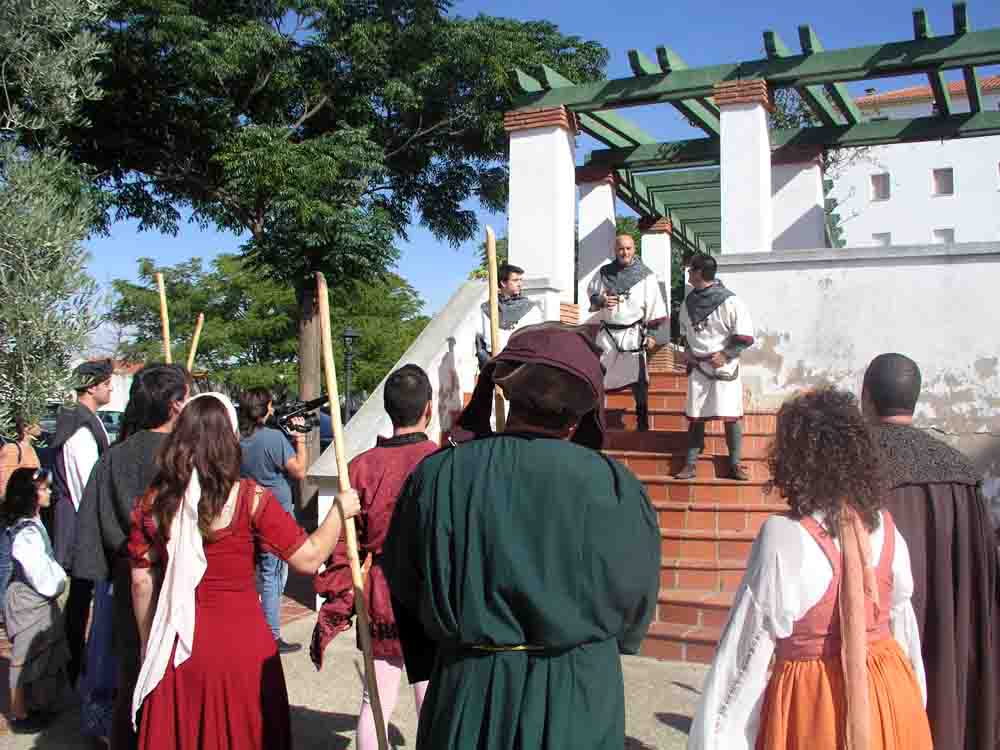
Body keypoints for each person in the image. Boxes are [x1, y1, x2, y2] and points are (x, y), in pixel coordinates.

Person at [382, 322, 661, 750]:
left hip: (469, 692)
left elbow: (405, 582)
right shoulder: (616, 485)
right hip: (578, 697)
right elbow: (634, 604)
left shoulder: (439, 475)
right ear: (581, 411)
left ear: (508, 394)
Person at [689, 387, 931, 750]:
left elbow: (745, 659)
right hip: (891, 693)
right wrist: (912, 700)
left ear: (792, 460)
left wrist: (716, 740)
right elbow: (903, 629)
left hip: (817, 708)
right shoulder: (884, 525)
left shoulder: (783, 536)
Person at [127, 393, 361, 750]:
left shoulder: (157, 501)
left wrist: (148, 643)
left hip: (177, 644)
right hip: (241, 648)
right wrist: (338, 512)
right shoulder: (252, 499)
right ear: (229, 440)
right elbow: (309, 558)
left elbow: (142, 580)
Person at [862, 353, 999, 750]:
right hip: (944, 638)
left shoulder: (849, 467)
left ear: (866, 397)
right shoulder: (960, 470)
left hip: (876, 648)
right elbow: (982, 582)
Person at [312, 364, 438, 750]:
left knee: (376, 700)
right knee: (430, 701)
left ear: (388, 409)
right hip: (430, 591)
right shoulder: (443, 462)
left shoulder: (362, 467)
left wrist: (344, 594)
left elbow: (342, 548)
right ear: (429, 409)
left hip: (382, 592)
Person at [73, 363, 190, 750]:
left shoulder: (116, 457)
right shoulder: (189, 458)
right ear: (175, 405)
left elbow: (92, 529)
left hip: (133, 580)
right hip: (172, 582)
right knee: (164, 674)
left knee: (134, 674)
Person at [50, 358, 113, 686]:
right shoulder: (78, 426)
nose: (110, 387)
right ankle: (73, 667)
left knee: (82, 594)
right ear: (91, 387)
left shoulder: (88, 420)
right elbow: (86, 485)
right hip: (78, 521)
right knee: (79, 595)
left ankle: (76, 662)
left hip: (82, 518)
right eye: (106, 384)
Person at [237, 387, 307, 653]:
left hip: (246, 510)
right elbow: (299, 471)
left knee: (253, 573)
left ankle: (253, 628)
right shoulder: (272, 438)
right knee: (273, 574)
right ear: (264, 409)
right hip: (273, 514)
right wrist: (299, 440)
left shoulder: (237, 438)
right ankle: (271, 635)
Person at [3, 467, 70, 735]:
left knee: (41, 652)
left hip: (37, 599)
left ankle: (38, 702)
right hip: (29, 600)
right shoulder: (25, 533)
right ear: (29, 494)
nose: (49, 492)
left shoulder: (34, 524)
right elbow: (39, 574)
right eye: (43, 489)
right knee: (25, 655)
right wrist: (58, 582)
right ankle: (19, 712)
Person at [675, 253, 754, 480]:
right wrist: (688, 351)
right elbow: (684, 334)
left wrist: (726, 354)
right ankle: (690, 464)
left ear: (699, 273)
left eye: (691, 270)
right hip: (699, 367)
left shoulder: (731, 301)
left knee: (731, 415)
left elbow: (745, 336)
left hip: (724, 367)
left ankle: (735, 464)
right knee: (696, 415)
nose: (688, 273)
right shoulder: (688, 302)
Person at [587, 234, 670, 432]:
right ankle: (595, 420)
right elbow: (593, 294)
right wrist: (601, 301)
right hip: (607, 334)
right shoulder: (604, 273)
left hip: (633, 333)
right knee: (597, 376)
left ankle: (642, 421)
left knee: (639, 379)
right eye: (621, 249)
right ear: (614, 251)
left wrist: (652, 335)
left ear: (634, 249)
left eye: (629, 248)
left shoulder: (646, 275)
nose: (625, 252)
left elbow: (655, 307)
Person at [475, 262, 543, 366]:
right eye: (515, 280)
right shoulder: (487, 308)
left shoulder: (531, 308)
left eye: (521, 280)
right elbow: (484, 338)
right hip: (495, 362)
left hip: (521, 363)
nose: (520, 284)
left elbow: (535, 339)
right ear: (503, 283)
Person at [1, 416, 41, 497]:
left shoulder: (31, 449)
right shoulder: (12, 449)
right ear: (26, 428)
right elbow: (3, 482)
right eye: (36, 424)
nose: (40, 427)